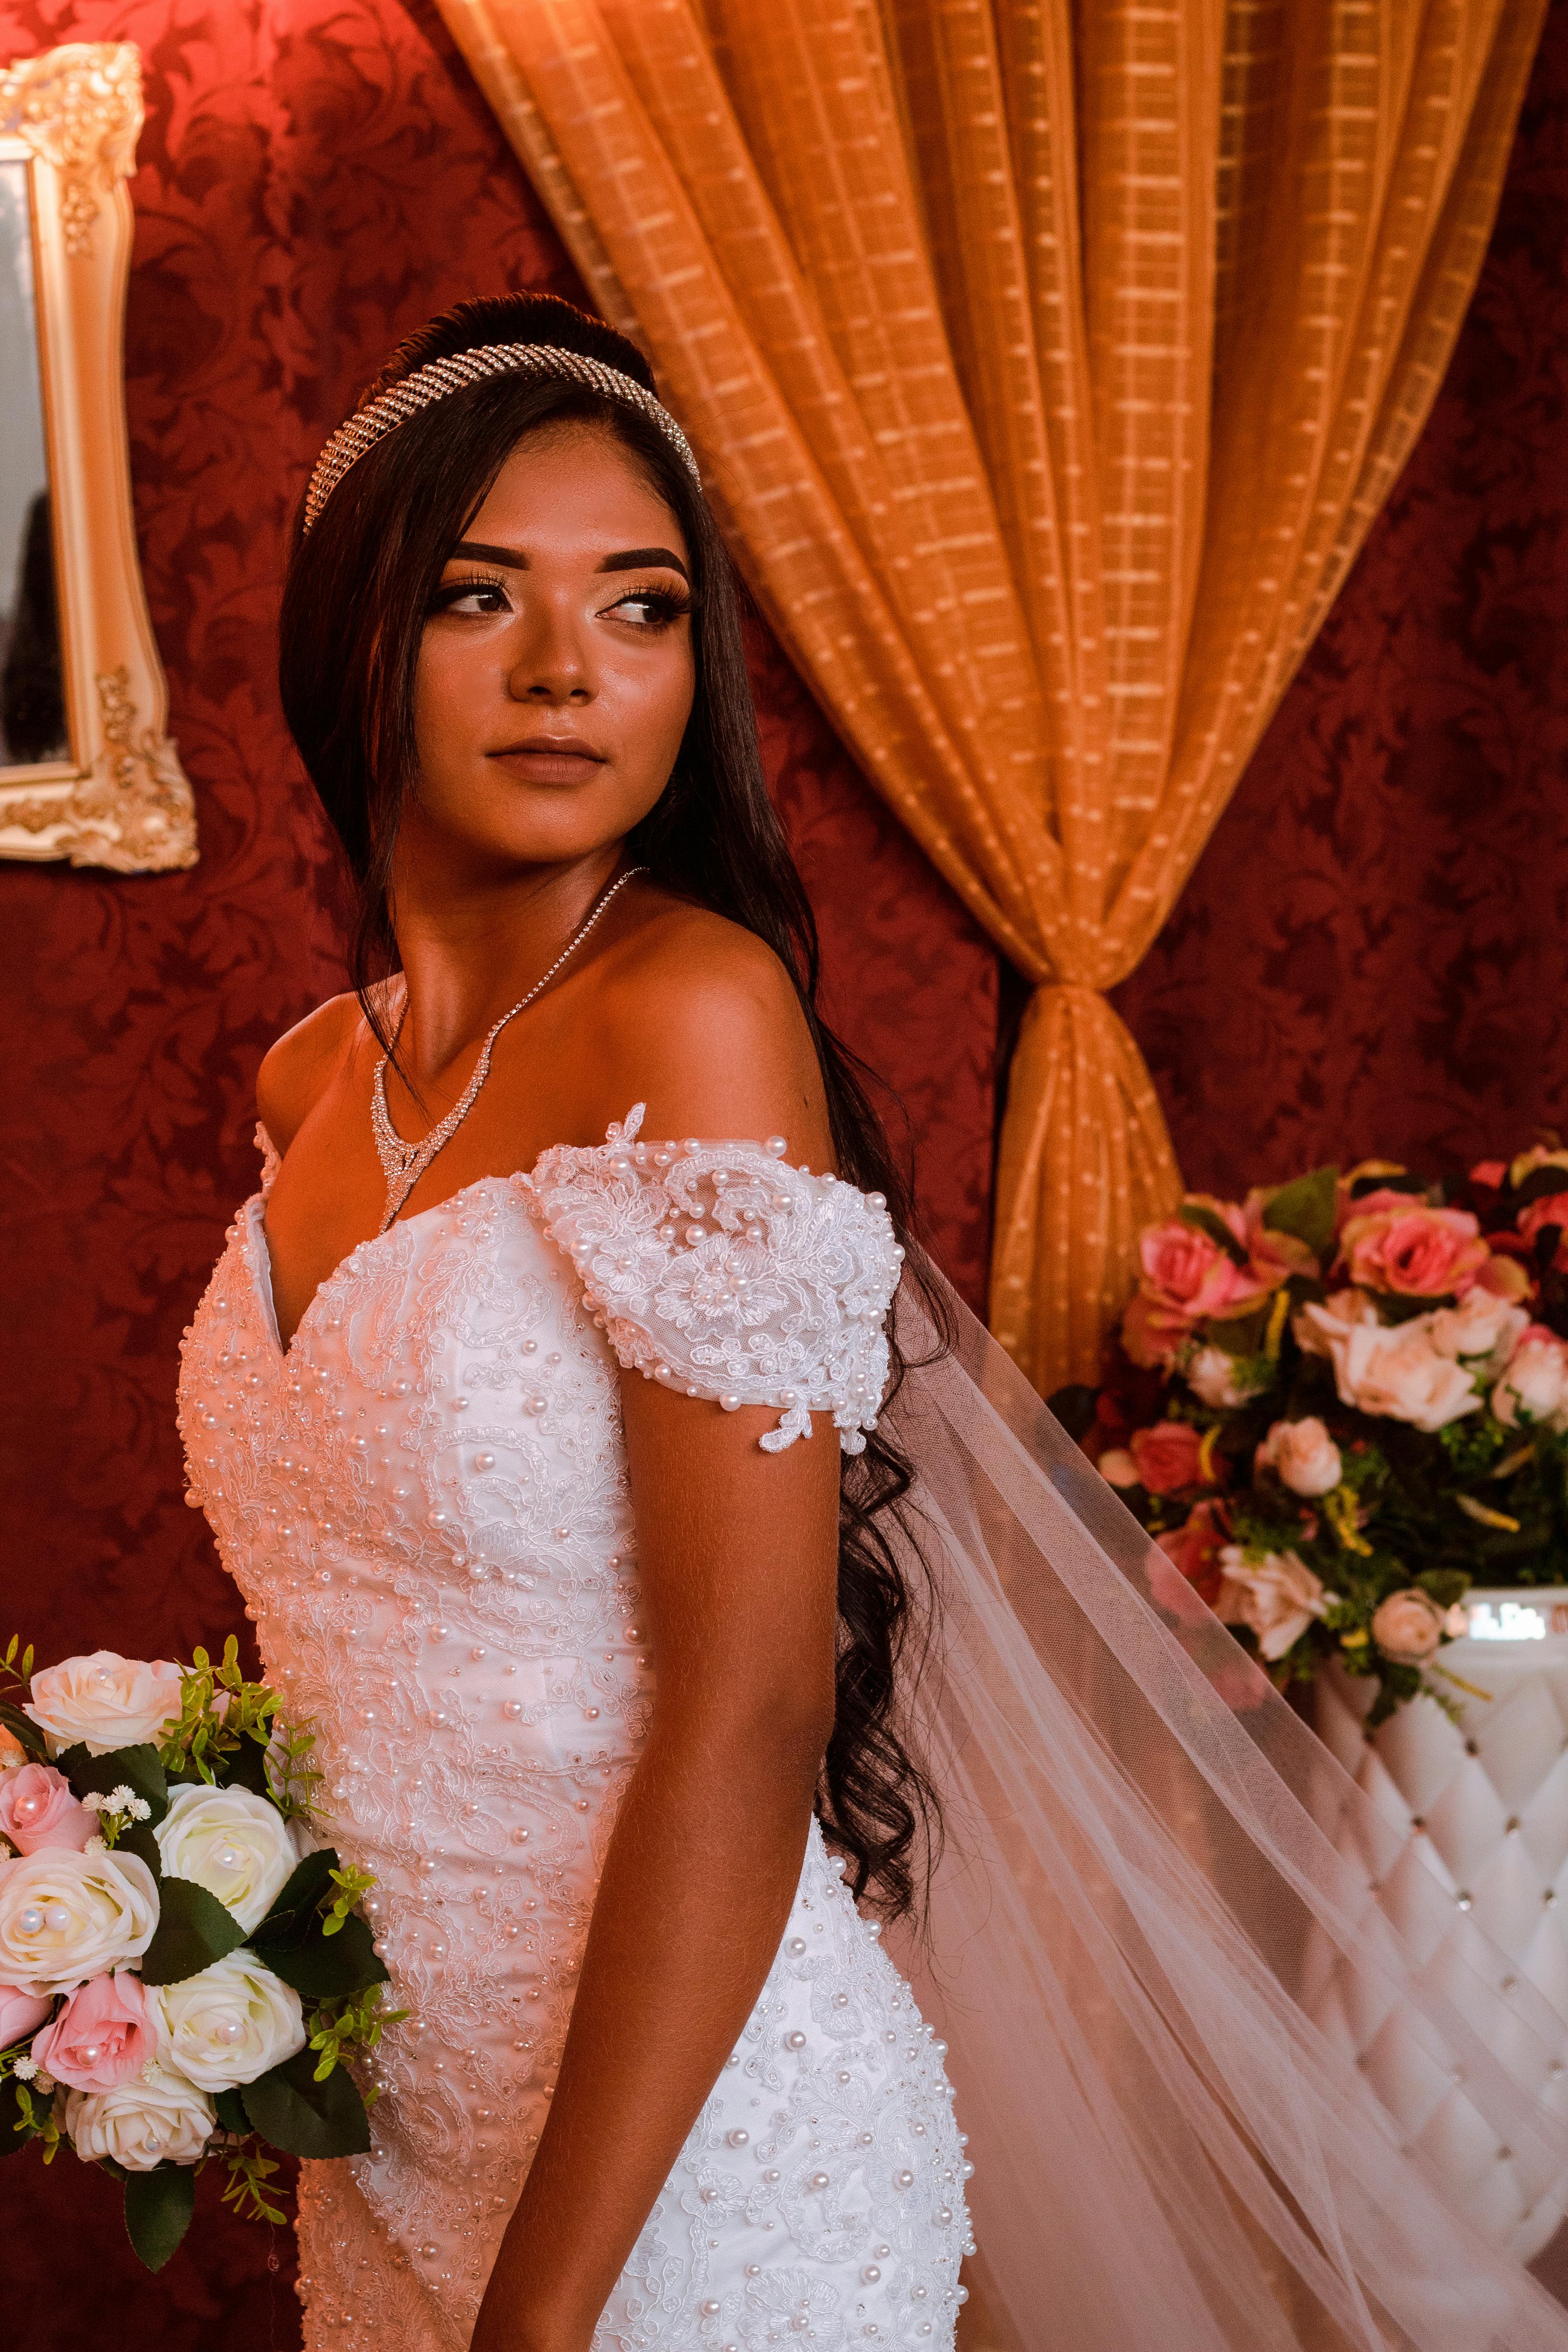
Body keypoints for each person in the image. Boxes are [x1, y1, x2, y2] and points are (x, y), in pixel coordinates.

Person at [178, 294, 1568, 2352]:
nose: (571, 668)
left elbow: (749, 1714)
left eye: (642, 608)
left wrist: (542, 2315)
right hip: (393, 2136)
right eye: (485, 596)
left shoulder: (694, 1012)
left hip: (684, 2176)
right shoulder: (314, 1075)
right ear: (347, 634)